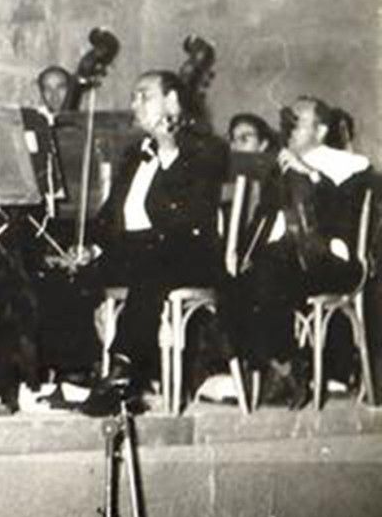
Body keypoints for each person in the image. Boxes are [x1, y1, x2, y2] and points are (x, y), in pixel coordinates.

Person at [82, 70, 228, 413]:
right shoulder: (135, 154)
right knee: (64, 273)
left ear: (172, 101)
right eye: (134, 96)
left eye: (143, 95)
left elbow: (185, 218)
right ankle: (75, 373)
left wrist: (166, 150)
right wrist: (90, 247)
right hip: (132, 250)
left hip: (183, 253)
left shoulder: (206, 149)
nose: (134, 103)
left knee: (151, 264)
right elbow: (110, 216)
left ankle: (122, 369)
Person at [224, 97, 370, 404]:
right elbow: (266, 222)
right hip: (285, 262)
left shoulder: (351, 164)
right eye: (287, 120)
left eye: (297, 120)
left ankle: (286, 365)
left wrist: (310, 175)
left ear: (321, 130)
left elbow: (345, 217)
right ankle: (283, 364)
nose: (289, 127)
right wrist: (239, 252)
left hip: (330, 262)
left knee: (270, 268)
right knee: (231, 283)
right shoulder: (280, 165)